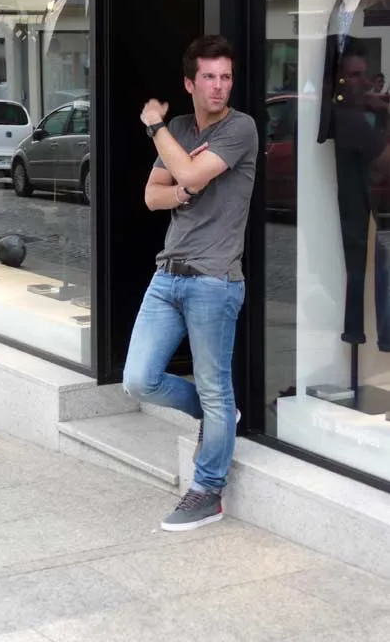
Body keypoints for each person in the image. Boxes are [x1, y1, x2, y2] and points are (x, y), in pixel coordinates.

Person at [123, 34, 258, 531]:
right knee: (139, 379)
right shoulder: (181, 128)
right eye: (209, 77)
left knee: (215, 386)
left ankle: (208, 492)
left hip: (214, 281)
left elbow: (194, 175)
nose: (219, 86)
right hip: (167, 275)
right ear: (190, 83)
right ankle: (219, 417)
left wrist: (154, 127)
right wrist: (181, 184)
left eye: (226, 77)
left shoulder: (240, 128)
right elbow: (151, 196)